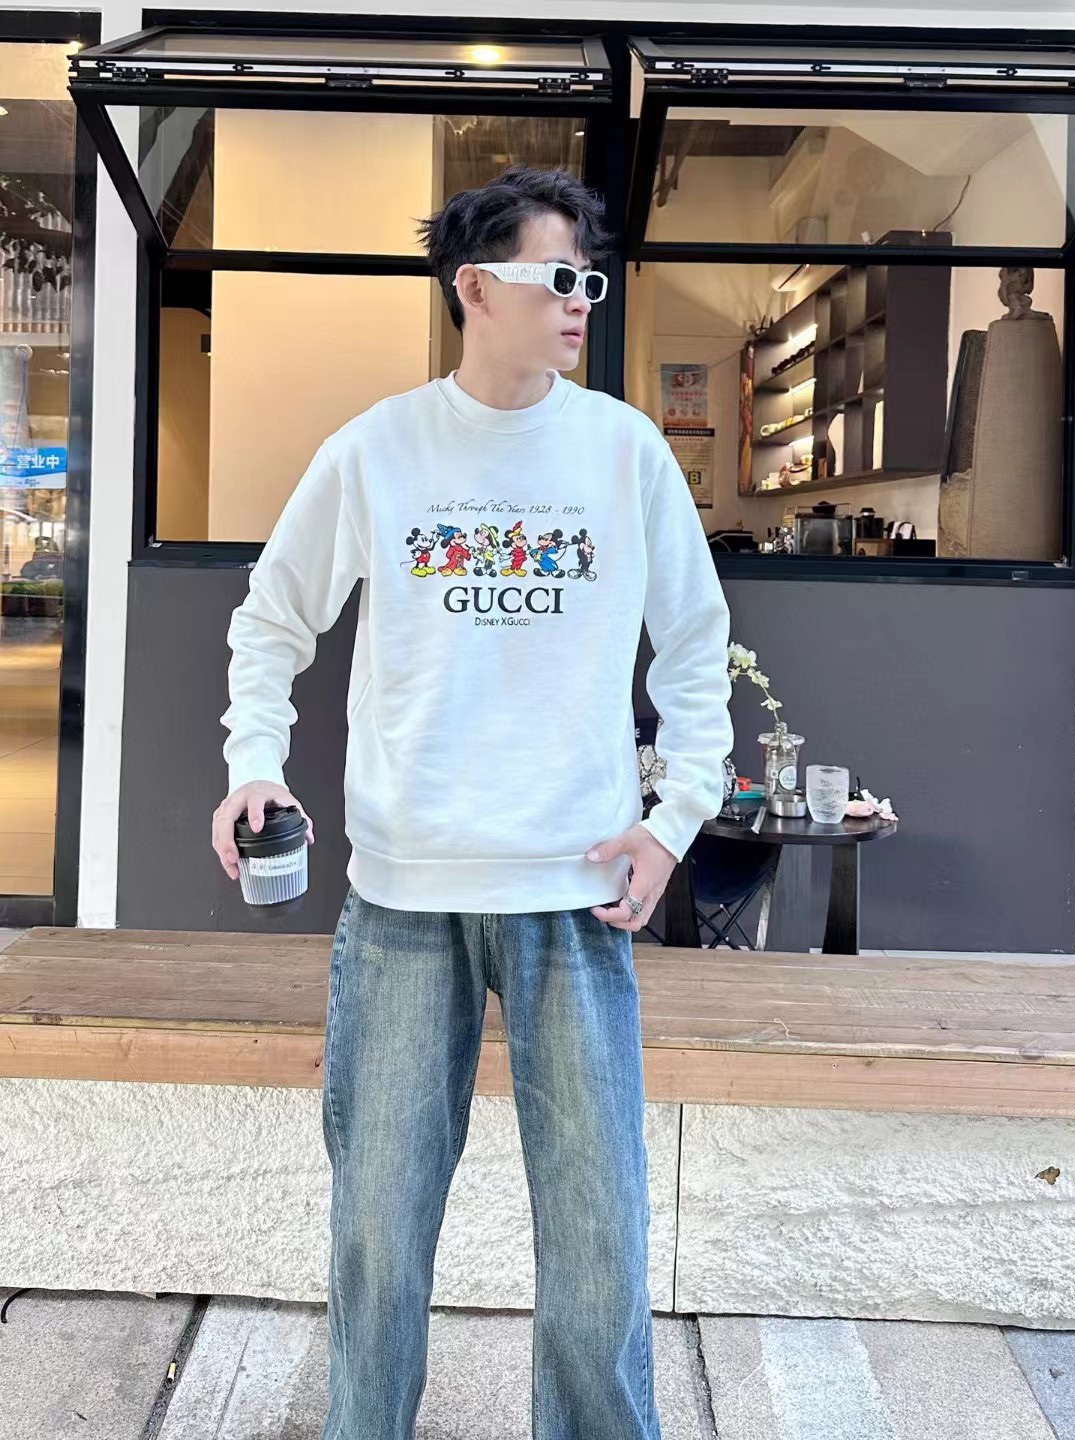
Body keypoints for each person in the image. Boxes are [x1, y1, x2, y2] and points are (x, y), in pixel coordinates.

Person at [212, 165, 733, 1440]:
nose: (580, 301)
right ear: (475, 289)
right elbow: (272, 620)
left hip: (576, 895)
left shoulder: (624, 452)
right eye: (557, 278)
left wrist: (673, 821)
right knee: (378, 1234)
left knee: (599, 1246)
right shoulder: (378, 450)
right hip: (404, 896)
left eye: (589, 280)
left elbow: (696, 648)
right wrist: (254, 763)